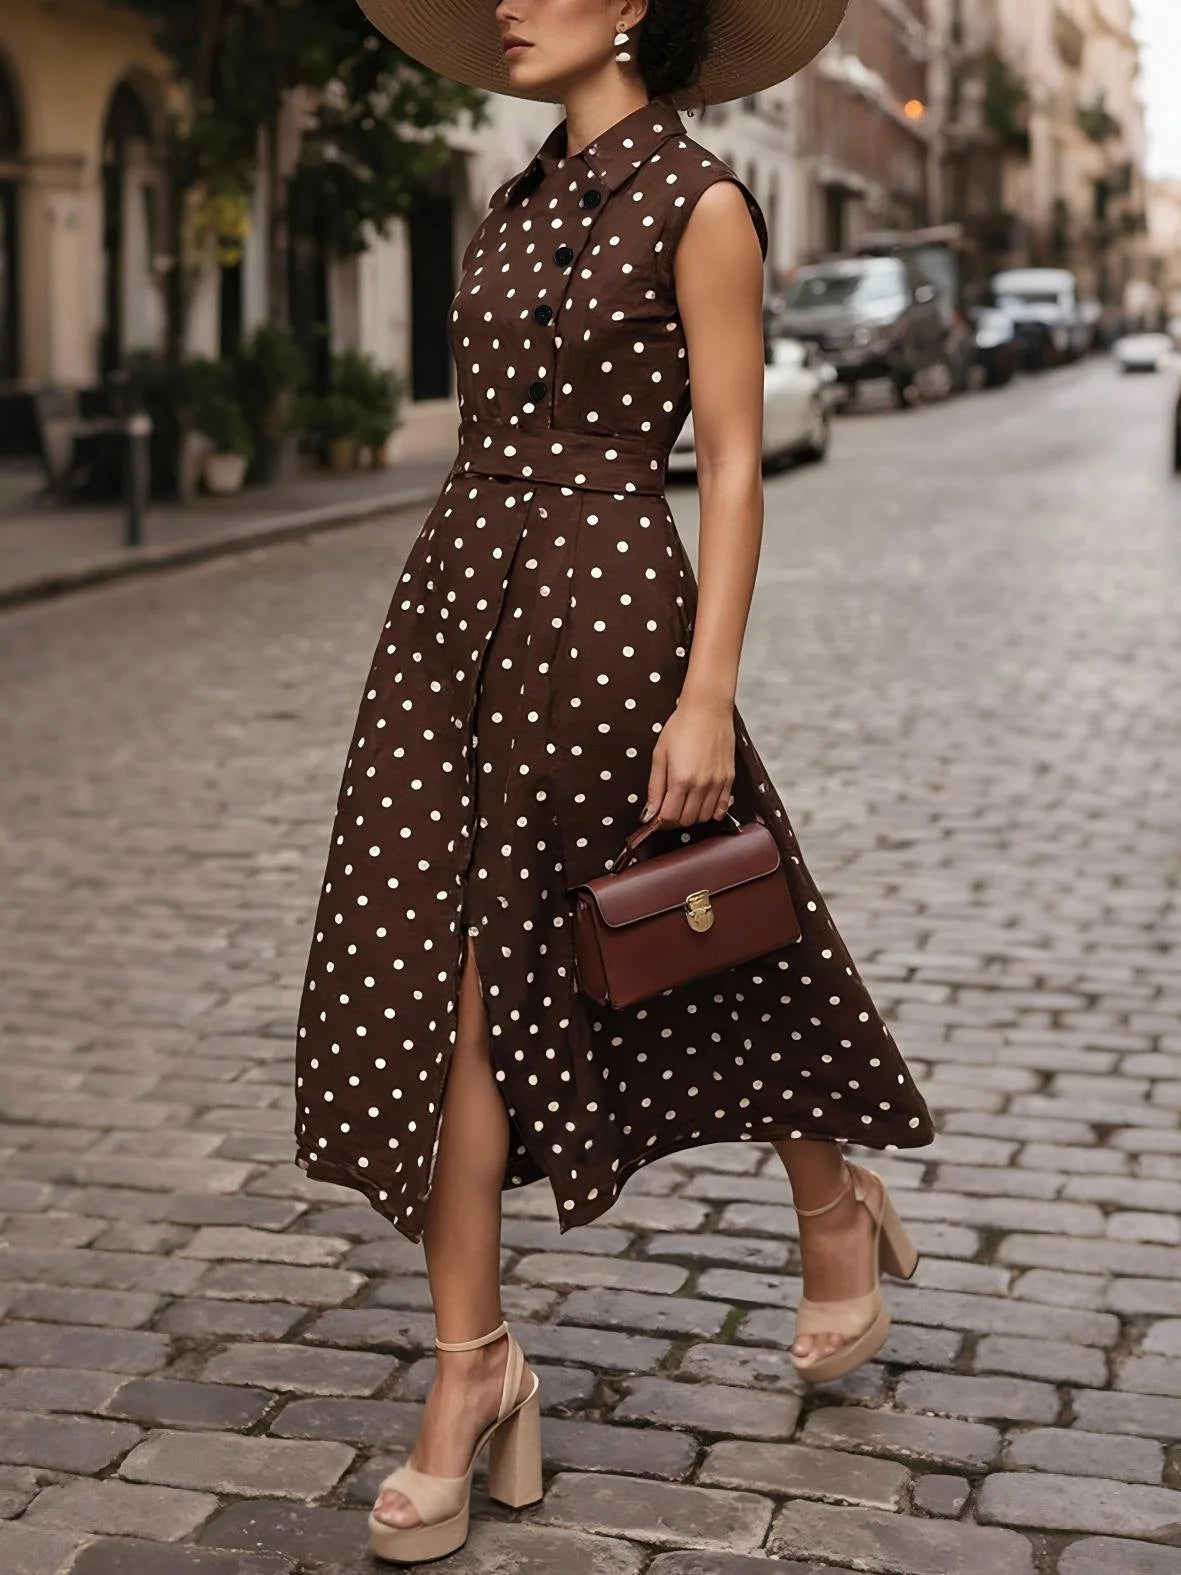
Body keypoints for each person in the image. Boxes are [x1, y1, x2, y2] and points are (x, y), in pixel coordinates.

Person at [293, 0, 936, 1563]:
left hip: (602, 610)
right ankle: (473, 1375)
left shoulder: (704, 202)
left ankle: (827, 1195)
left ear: (635, 3)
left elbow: (726, 458)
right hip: (451, 610)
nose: (506, 4)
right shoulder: (510, 202)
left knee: (681, 930)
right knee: (433, 979)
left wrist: (705, 690)